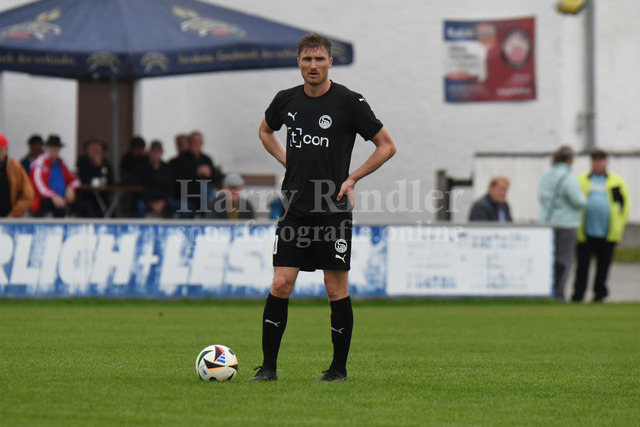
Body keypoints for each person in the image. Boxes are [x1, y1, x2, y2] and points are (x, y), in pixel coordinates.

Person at [248, 33, 396, 382]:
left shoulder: (349, 101)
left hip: (332, 210)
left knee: (335, 288)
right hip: (294, 210)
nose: (312, 65)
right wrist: (287, 161)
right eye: (307, 59)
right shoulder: (285, 100)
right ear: (299, 62)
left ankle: (337, 370)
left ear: (330, 62)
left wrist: (353, 178)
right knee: (281, 283)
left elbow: (386, 146)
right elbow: (265, 131)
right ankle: (268, 368)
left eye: (319, 59)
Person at [571, 149, 631, 302]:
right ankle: (578, 294)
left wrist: (620, 223)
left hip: (607, 231)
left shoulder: (615, 181)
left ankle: (599, 294)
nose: (597, 164)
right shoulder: (582, 180)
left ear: (606, 162)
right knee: (582, 265)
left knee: (603, 265)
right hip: (585, 230)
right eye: (595, 161)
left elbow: (624, 204)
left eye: (600, 161)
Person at [538, 146, 586, 301]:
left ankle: (545, 291)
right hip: (566, 223)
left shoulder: (545, 174)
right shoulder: (568, 176)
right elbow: (577, 200)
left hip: (546, 221)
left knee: (547, 259)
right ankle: (558, 294)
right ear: (569, 159)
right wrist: (585, 198)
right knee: (564, 260)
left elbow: (541, 197)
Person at [30, 135, 80, 217]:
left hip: (62, 198)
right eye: (52, 148)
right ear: (47, 148)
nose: (54, 150)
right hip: (44, 198)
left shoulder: (60, 162)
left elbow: (74, 179)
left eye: (57, 148)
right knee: (60, 208)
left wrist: (71, 187)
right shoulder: (39, 163)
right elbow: (38, 185)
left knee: (85, 205)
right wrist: (53, 196)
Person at [74, 137, 114, 217]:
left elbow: (110, 180)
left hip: (102, 196)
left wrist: (99, 166)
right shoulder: (82, 162)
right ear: (87, 150)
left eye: (98, 148)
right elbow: (82, 179)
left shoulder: (106, 163)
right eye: (92, 148)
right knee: (88, 207)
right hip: (85, 196)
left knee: (111, 207)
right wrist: (96, 167)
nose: (95, 151)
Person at [134, 140, 173, 218]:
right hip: (147, 200)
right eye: (153, 152)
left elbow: (170, 188)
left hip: (163, 201)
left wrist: (163, 202)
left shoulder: (166, 168)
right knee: (140, 206)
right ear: (149, 152)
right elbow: (139, 189)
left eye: (157, 152)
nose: (155, 154)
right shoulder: (142, 168)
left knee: (184, 207)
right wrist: (150, 203)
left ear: (161, 153)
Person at [0, 134, 34, 217]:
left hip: (8, 217)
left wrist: (14, 214)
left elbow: (28, 195)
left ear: (6, 150)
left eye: (0, 150)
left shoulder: (15, 167)